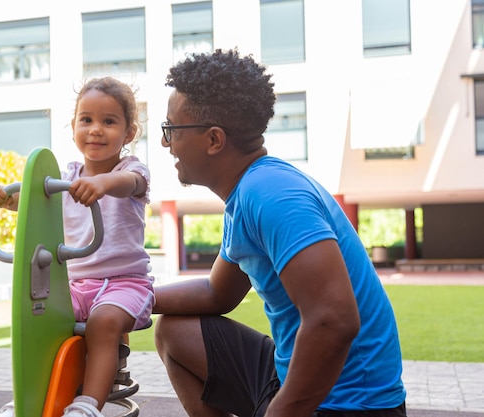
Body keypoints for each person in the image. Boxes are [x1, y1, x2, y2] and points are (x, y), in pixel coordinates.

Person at [153, 49, 407, 417]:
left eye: (171, 129)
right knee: (175, 331)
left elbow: (334, 320)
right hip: (291, 376)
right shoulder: (248, 193)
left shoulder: (272, 194)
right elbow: (216, 293)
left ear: (213, 140)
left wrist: (282, 411)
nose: (165, 142)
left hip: (348, 404)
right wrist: (133, 298)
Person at [0, 77, 154, 417]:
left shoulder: (130, 170)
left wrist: (102, 183)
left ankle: (88, 405)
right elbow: (30, 200)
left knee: (103, 323)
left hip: (125, 284)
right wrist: (2, 198)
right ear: (73, 126)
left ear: (129, 133)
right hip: (74, 285)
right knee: (39, 318)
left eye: (109, 122)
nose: (95, 130)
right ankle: (30, 398)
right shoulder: (65, 177)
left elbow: (129, 184)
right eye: (86, 120)